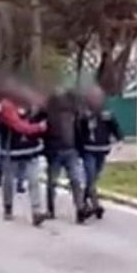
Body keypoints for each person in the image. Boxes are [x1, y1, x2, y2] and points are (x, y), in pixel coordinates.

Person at [0, 82, 49, 226]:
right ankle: (8, 206)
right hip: (11, 150)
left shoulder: (32, 104)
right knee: (9, 181)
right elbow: (18, 126)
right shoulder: (7, 106)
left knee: (34, 180)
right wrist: (39, 127)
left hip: (31, 149)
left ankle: (36, 212)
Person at [77, 86, 124, 219]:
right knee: (91, 178)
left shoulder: (106, 114)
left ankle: (83, 201)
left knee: (93, 178)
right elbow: (78, 131)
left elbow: (115, 127)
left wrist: (119, 140)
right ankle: (96, 206)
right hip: (88, 150)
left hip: (102, 150)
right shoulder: (84, 115)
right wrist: (79, 148)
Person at [43, 88, 88, 224]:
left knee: (75, 180)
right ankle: (51, 209)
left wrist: (81, 148)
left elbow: (79, 130)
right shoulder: (48, 114)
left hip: (71, 150)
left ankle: (80, 210)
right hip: (55, 151)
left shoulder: (74, 114)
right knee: (52, 182)